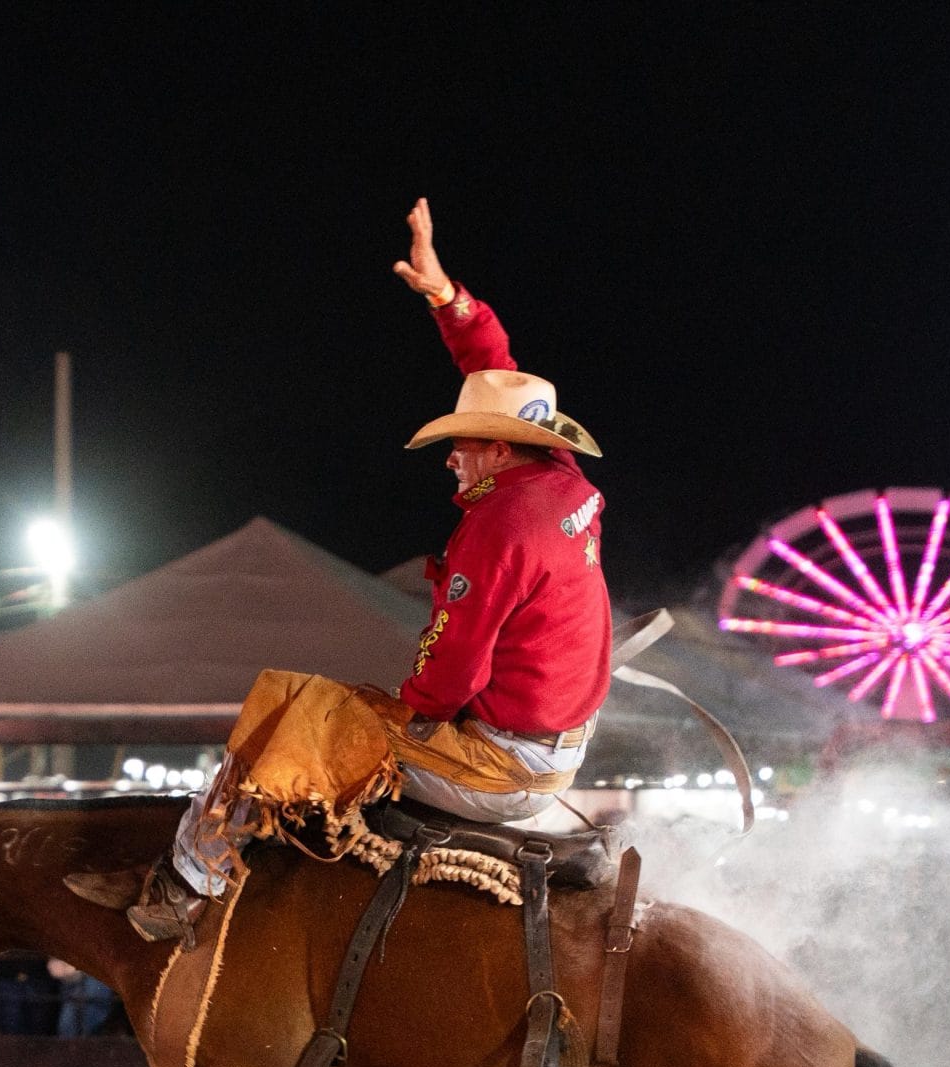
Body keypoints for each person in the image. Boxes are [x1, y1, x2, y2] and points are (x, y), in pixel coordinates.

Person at [114, 197, 612, 943]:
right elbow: (494, 365)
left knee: (289, 710)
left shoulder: (499, 528)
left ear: (502, 449)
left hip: (501, 762)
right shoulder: (559, 474)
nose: (452, 454)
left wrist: (393, 709)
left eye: (465, 442)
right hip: (559, 734)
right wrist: (448, 298)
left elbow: (448, 680)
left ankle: (185, 885)